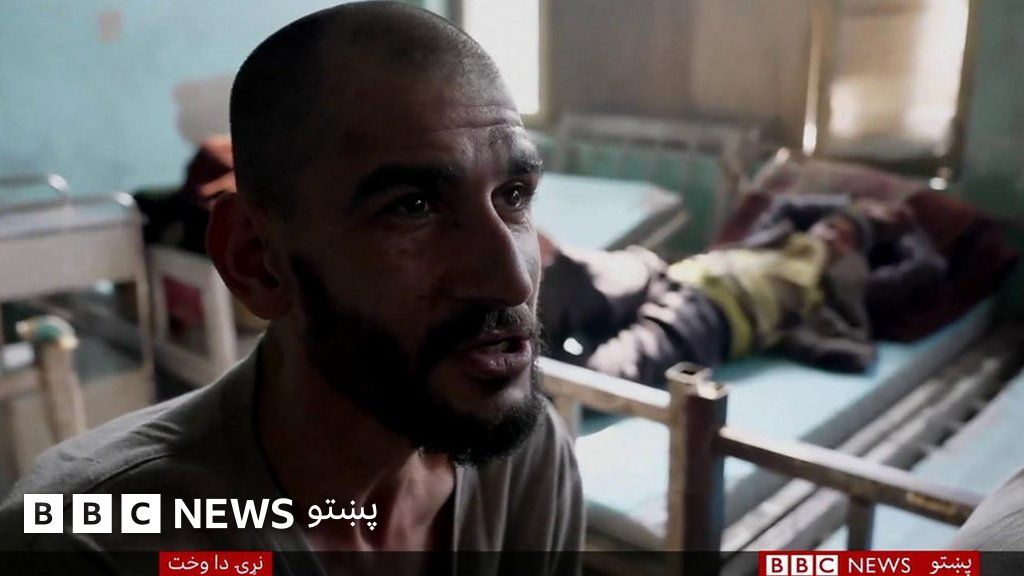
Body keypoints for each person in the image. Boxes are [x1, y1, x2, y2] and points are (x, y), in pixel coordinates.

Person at [0, 2, 583, 573]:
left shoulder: (522, 459)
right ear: (257, 261)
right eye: (413, 207)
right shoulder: (86, 544)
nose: (512, 280)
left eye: (513, 195)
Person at [539, 194, 934, 386]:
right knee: (576, 271)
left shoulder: (841, 284)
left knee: (603, 374)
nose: (833, 236)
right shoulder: (774, 236)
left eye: (847, 238)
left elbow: (926, 269)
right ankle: (530, 306)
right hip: (666, 273)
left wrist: (902, 227)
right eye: (830, 225)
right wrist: (852, 206)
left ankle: (529, 386)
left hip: (711, 313)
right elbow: (789, 204)